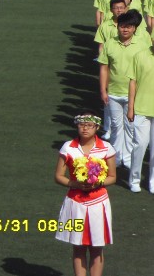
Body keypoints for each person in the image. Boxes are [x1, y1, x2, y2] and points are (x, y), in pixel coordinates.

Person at [54, 113, 116, 276]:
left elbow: (112, 177)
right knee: (78, 246)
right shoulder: (68, 147)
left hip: (99, 203)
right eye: (82, 125)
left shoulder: (106, 148)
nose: (85, 128)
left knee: (97, 247)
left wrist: (98, 183)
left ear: (97, 127)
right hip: (75, 202)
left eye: (89, 125)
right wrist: (75, 184)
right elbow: (58, 176)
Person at [98, 10, 149, 168]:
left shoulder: (142, 45)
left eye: (128, 26)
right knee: (115, 126)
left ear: (134, 28)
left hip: (133, 94)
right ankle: (115, 157)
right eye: (122, 26)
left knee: (130, 127)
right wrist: (103, 90)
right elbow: (104, 68)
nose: (125, 29)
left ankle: (127, 158)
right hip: (113, 93)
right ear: (117, 27)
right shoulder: (110, 43)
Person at [126, 38, 154, 194]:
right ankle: (134, 180)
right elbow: (133, 82)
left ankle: (153, 181)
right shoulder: (140, 55)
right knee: (140, 145)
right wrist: (130, 107)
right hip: (142, 109)